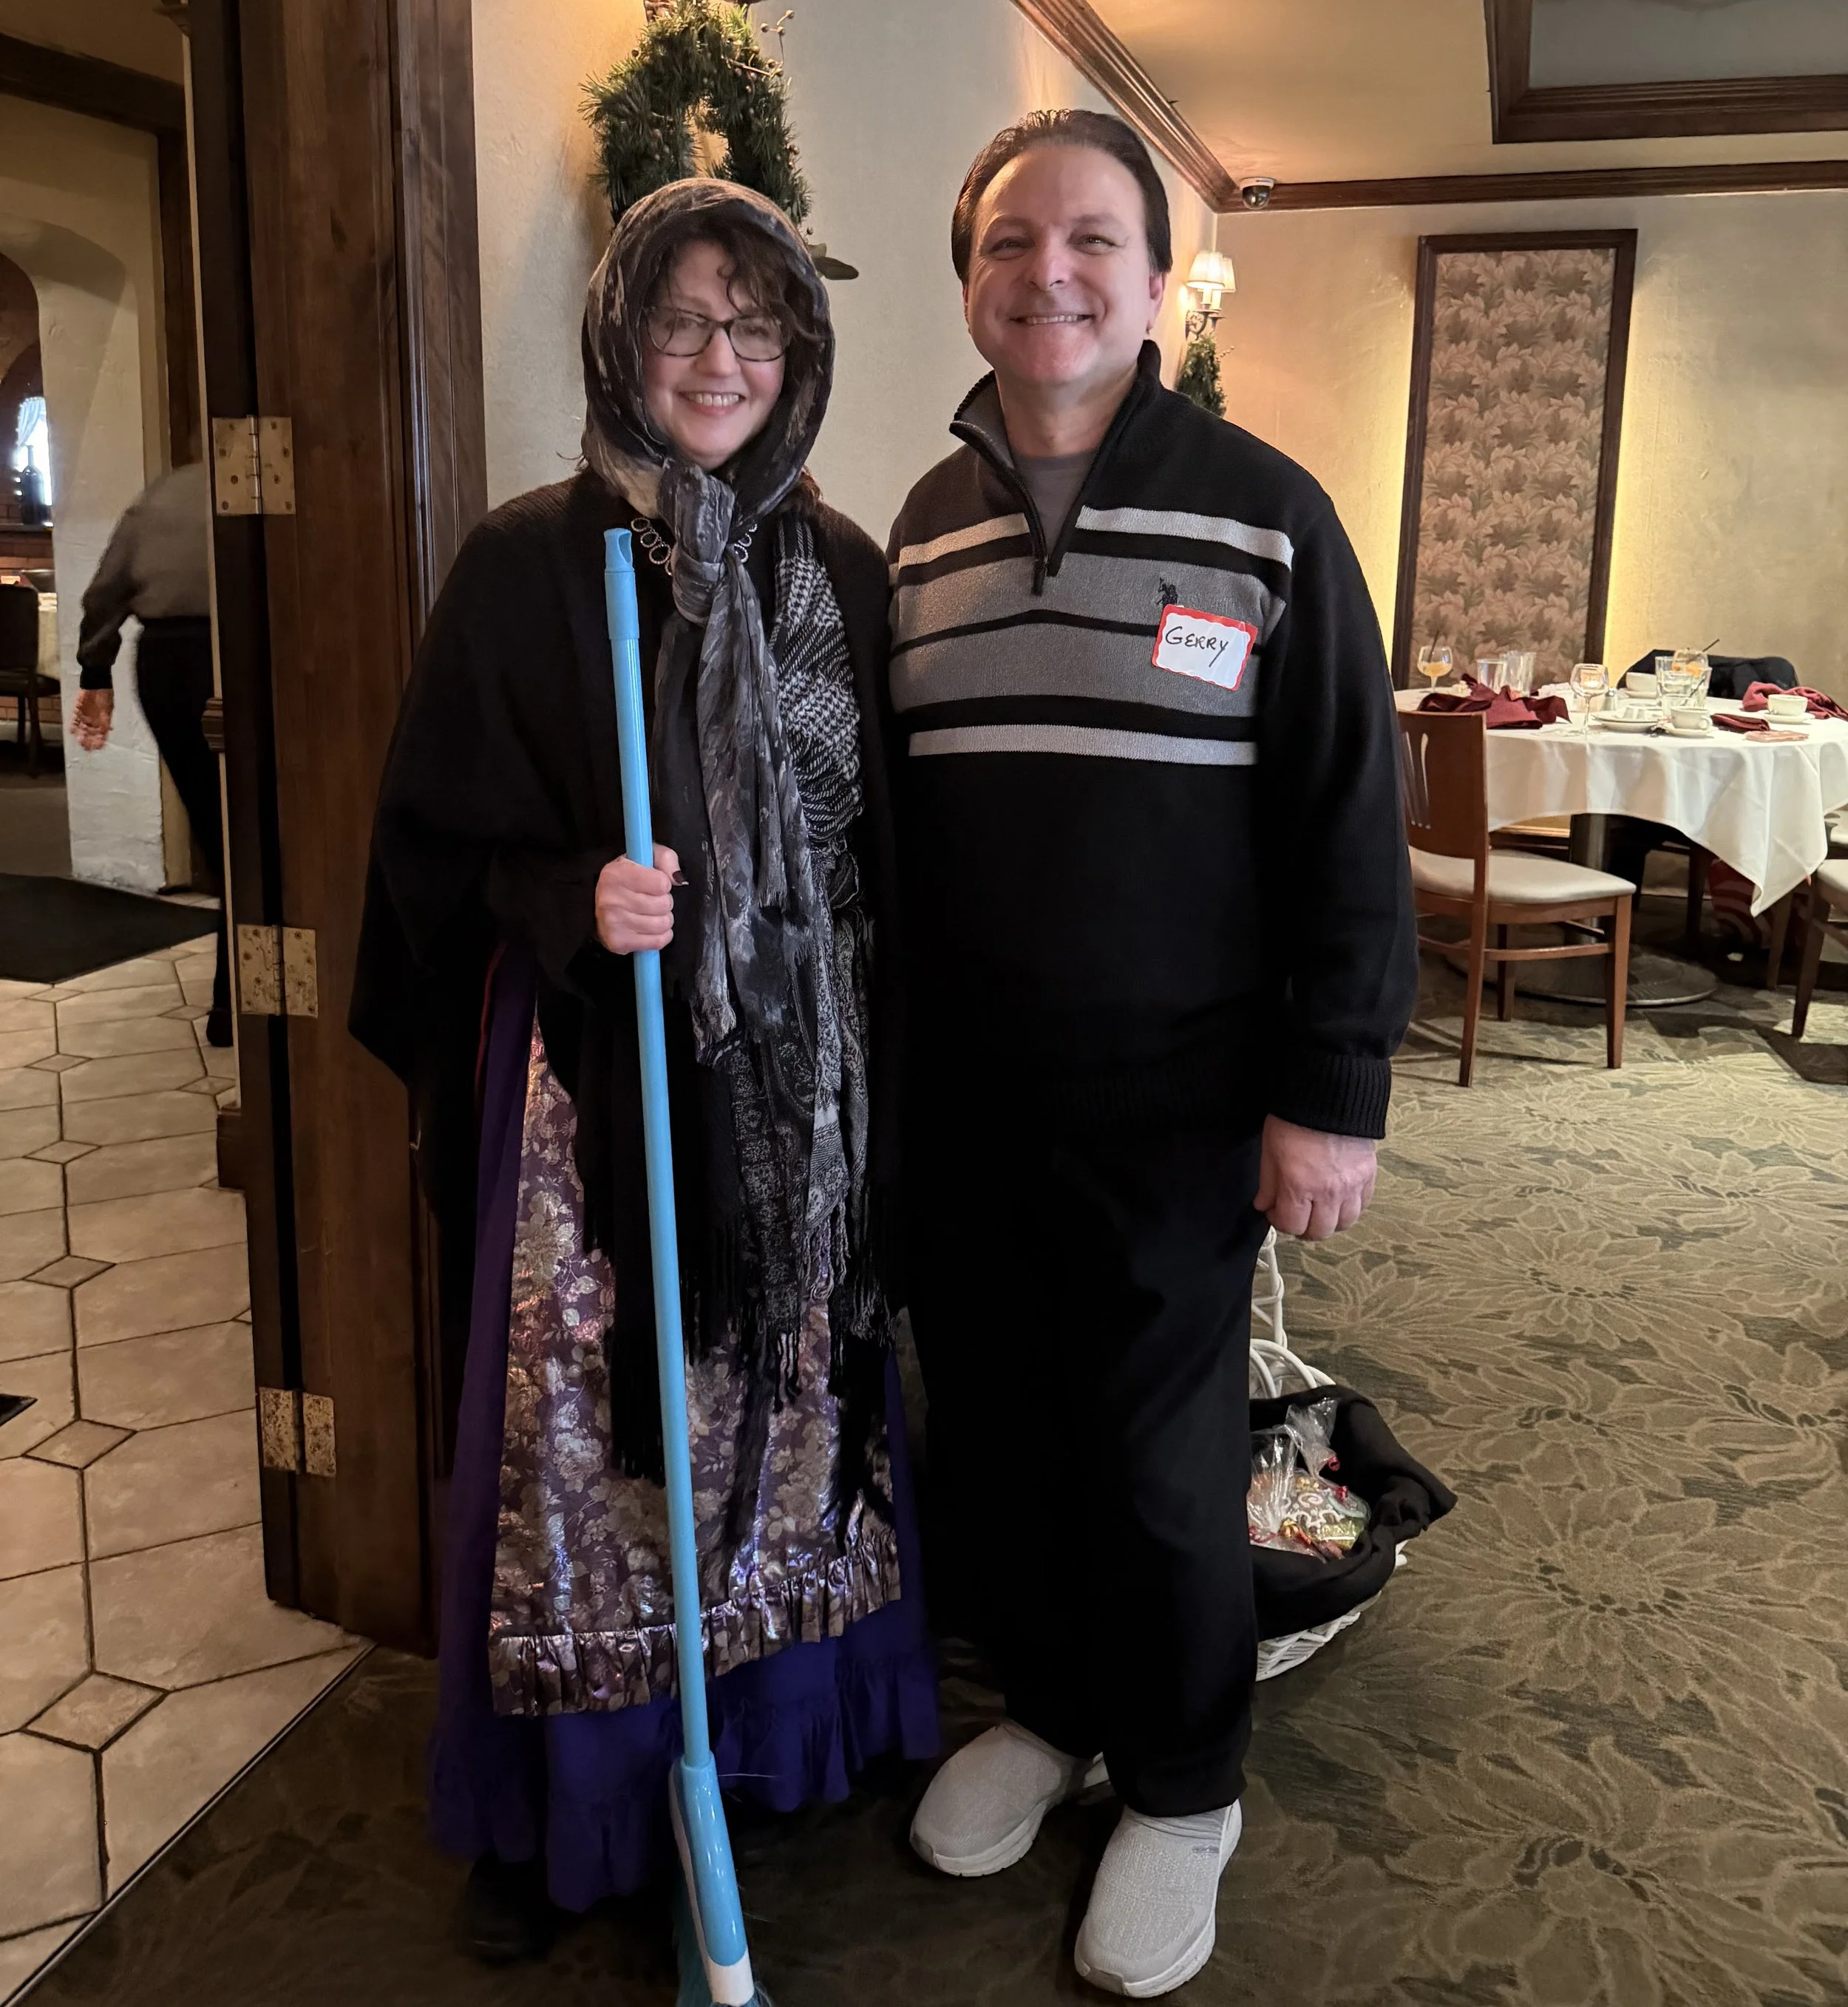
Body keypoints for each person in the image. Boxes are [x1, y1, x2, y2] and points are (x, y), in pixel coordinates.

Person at [350, 180, 937, 1962]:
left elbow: (882, 857)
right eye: (682, 320)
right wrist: (566, 892)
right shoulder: (533, 562)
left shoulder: (835, 570)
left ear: (804, 354)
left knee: (784, 1426)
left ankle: (771, 1751)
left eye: (757, 326)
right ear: (620, 335)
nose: (720, 359)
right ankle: (568, 1811)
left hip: (803, 1105)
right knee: (592, 1452)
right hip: (601, 1099)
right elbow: (426, 855)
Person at [891, 111, 1416, 1997]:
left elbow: (1351, 820)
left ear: (1152, 276)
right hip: (966, 1101)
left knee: (1158, 1454)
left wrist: (1329, 1090)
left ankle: (1185, 1782)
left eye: (1094, 238)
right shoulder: (921, 529)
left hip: (1185, 1103)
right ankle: (1051, 1712)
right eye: (1014, 239)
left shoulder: (1265, 511)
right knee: (1007, 1429)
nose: (1053, 271)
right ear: (970, 274)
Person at [70, 460, 231, 1045]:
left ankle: (231, 1002)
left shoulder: (166, 493)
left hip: (169, 665)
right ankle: (237, 999)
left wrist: (96, 672)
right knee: (253, 834)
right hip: (240, 648)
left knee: (221, 834)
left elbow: (106, 589)